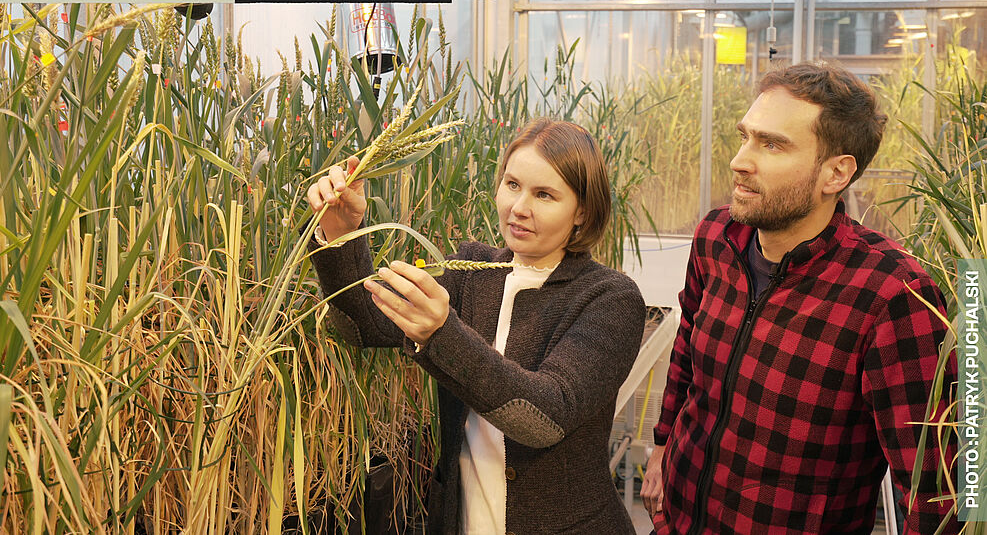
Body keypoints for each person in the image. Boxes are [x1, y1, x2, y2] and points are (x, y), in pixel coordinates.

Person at [640, 62, 957, 534]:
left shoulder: (891, 295)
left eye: (772, 144)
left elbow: (938, 492)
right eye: (745, 136)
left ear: (836, 173)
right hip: (680, 519)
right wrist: (662, 447)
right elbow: (686, 352)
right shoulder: (717, 236)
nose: (740, 160)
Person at [306, 118, 646, 534]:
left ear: (583, 213)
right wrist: (339, 235)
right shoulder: (472, 271)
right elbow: (364, 327)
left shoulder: (609, 299)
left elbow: (543, 418)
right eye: (512, 184)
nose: (519, 207)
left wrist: (441, 334)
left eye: (545, 194)